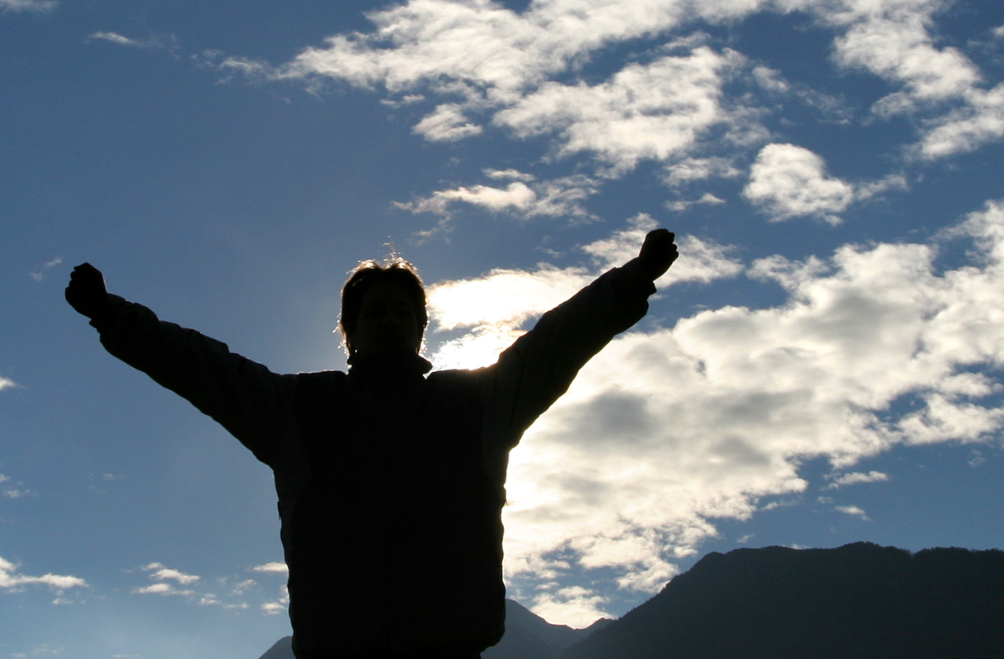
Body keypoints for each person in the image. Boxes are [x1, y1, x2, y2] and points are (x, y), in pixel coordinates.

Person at [64, 229, 679, 659]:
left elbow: (557, 342)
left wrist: (633, 279)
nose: (389, 320)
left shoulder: (478, 405)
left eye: (402, 313)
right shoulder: (297, 410)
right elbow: (201, 366)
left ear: (420, 330)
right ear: (350, 333)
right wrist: (110, 314)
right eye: (374, 312)